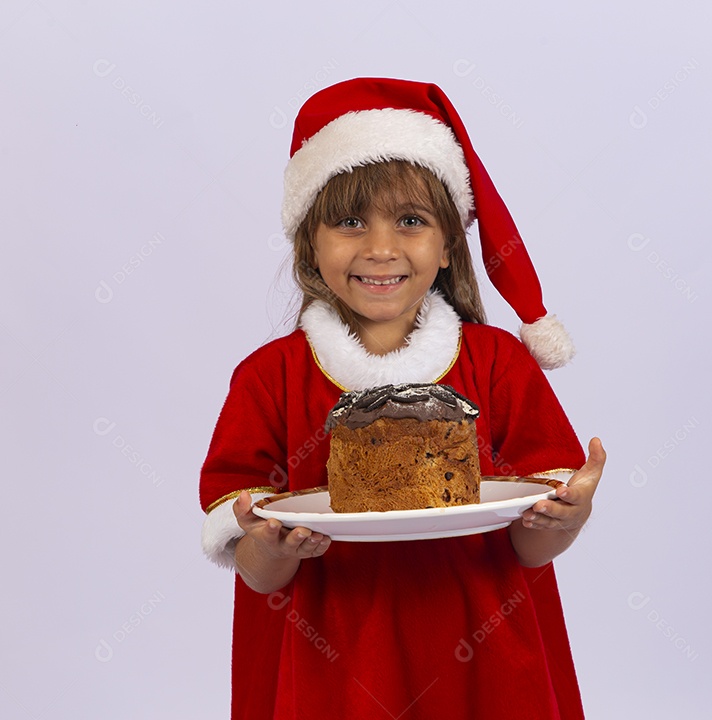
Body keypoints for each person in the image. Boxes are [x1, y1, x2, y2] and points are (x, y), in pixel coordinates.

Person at [199, 77, 606, 720]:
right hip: (331, 664)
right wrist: (270, 548)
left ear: (448, 244)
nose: (381, 249)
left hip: (486, 662)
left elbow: (531, 541)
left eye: (411, 221)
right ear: (310, 242)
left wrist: (567, 520)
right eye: (350, 221)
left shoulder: (498, 363)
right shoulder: (267, 380)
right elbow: (254, 566)